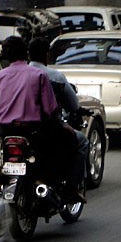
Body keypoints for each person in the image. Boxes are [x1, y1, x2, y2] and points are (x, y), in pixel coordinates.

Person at [0, 36, 84, 203]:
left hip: (6, 131)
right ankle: (67, 189)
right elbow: (49, 109)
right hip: (34, 131)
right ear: (26, 53)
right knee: (73, 141)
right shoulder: (38, 75)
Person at [28, 37, 89, 196]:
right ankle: (72, 189)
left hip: (15, 129)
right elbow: (70, 105)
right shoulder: (52, 76)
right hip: (46, 129)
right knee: (82, 141)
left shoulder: (13, 76)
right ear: (46, 55)